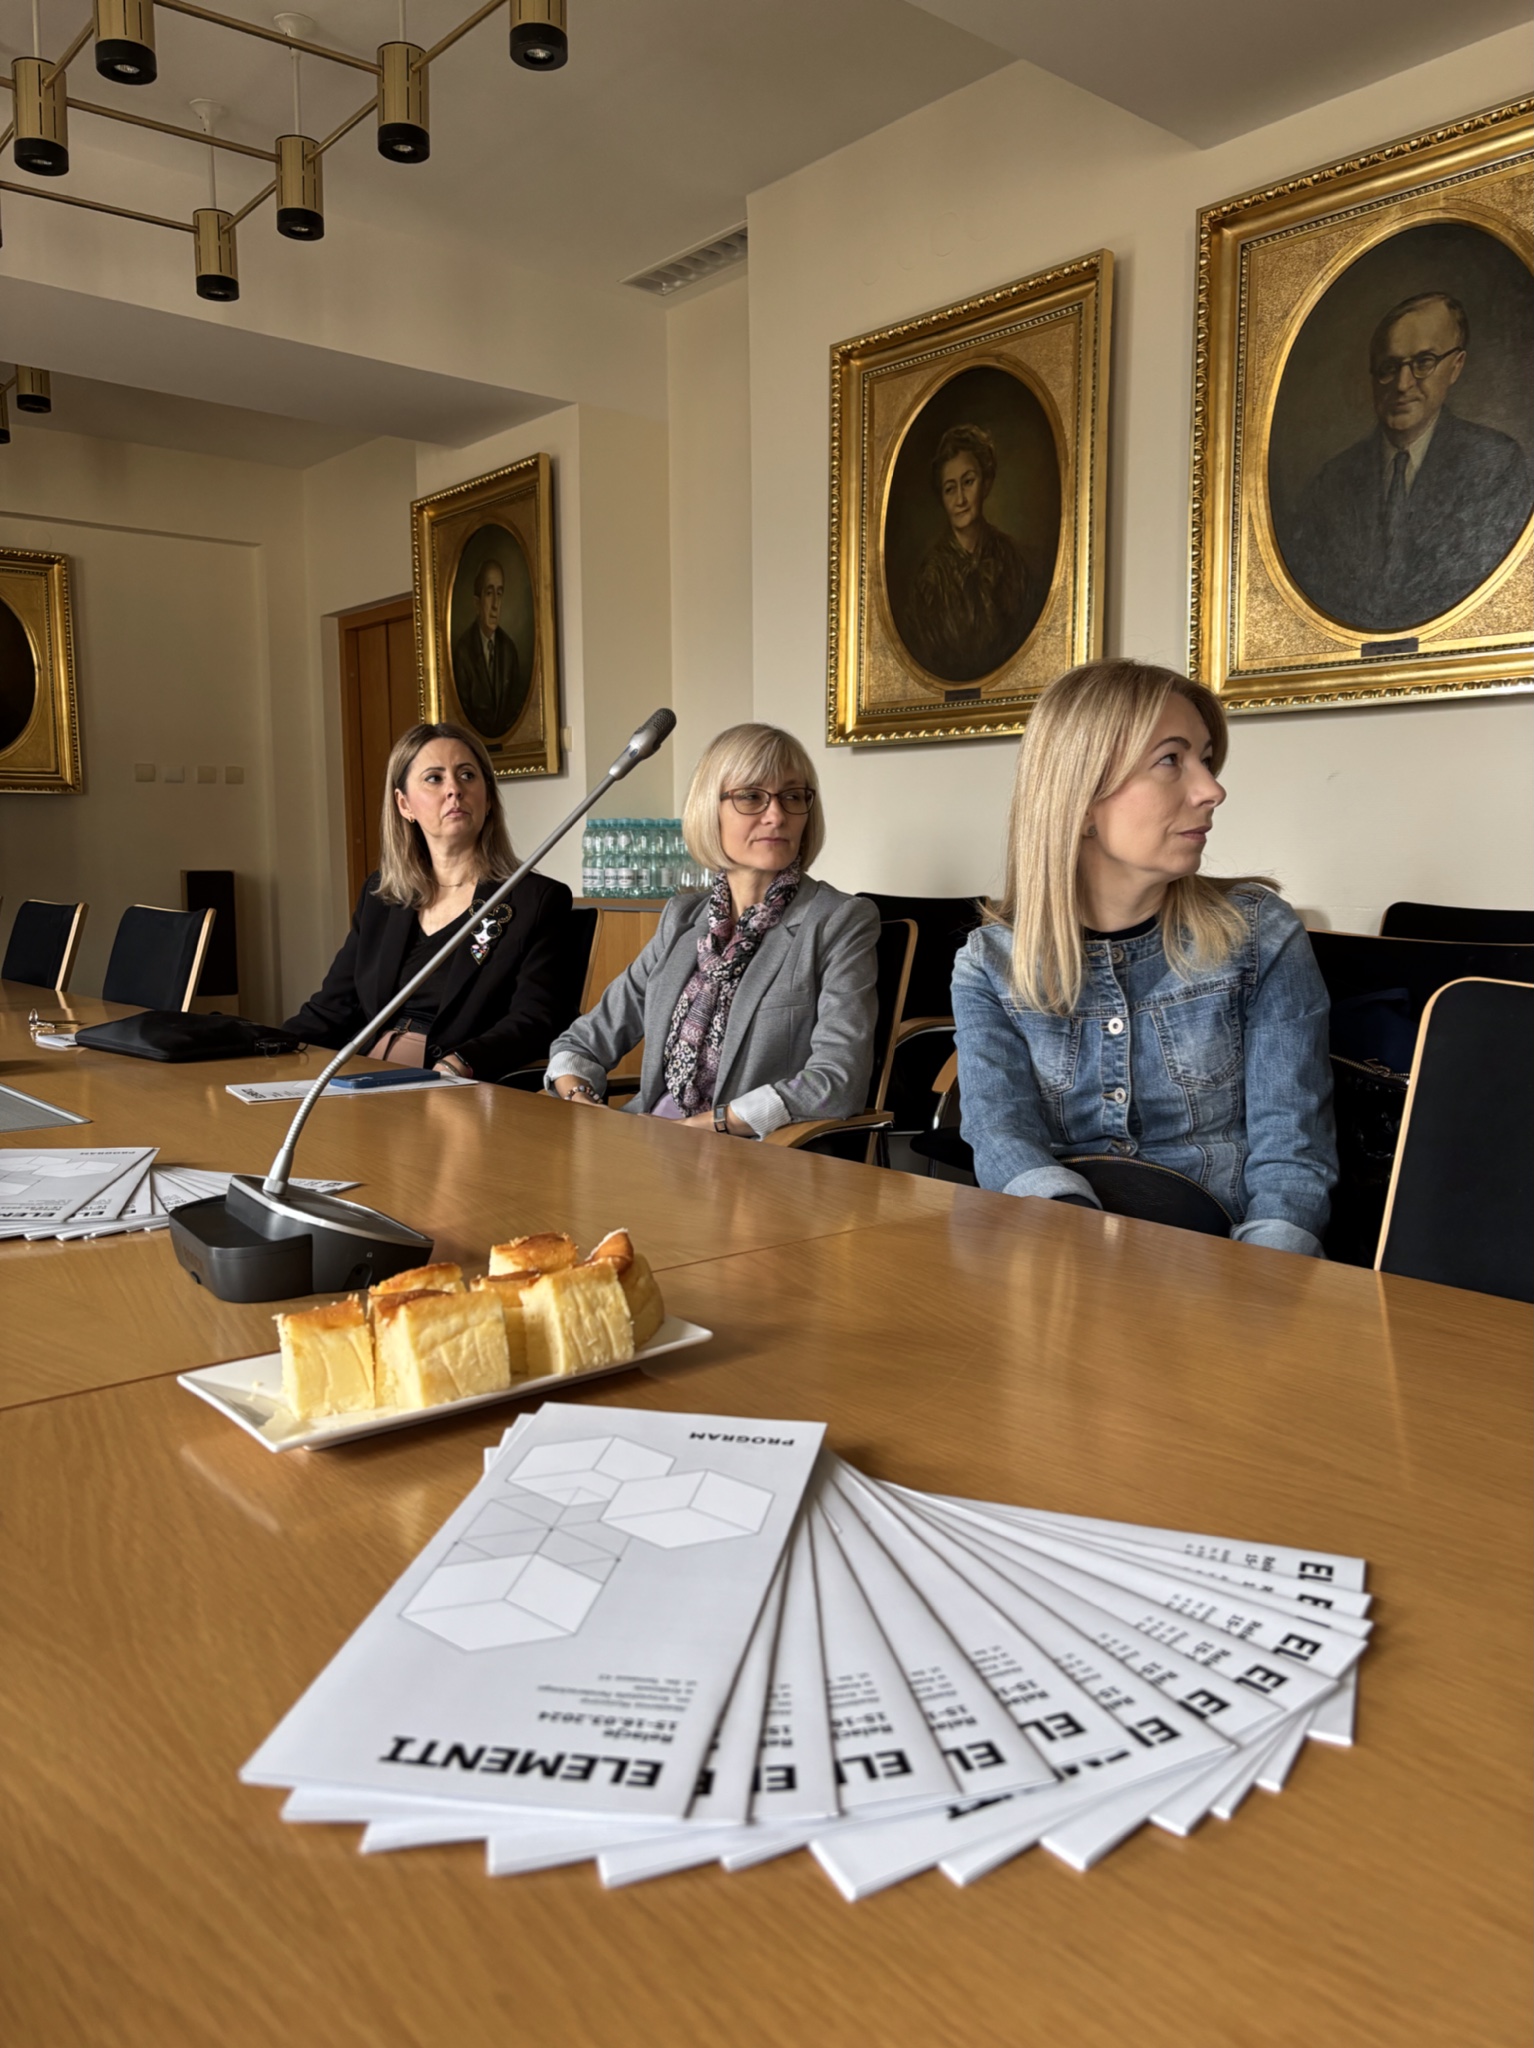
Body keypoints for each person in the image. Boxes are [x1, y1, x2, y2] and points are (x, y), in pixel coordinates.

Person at [951, 659, 1336, 1255]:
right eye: (1171, 759)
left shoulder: (1260, 934)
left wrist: (1263, 1281)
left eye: (1206, 759)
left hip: (1226, 1261)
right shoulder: (989, 964)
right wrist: (1077, 1250)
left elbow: (1293, 1152)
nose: (1212, 789)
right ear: (1081, 801)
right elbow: (1001, 1135)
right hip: (1059, 1258)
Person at [545, 723, 879, 1136]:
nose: (777, 816)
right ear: (709, 809)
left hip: (751, 1154)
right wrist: (579, 1098)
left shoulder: (838, 920)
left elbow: (838, 1081)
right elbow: (582, 1042)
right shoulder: (682, 917)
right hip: (645, 1141)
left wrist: (711, 1125)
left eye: (792, 796)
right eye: (751, 797)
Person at [285, 721, 575, 1082]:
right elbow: (332, 1009)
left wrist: (462, 1061)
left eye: (467, 775)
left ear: (488, 798)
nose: (454, 789)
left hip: (453, 1081)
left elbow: (537, 1019)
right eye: (435, 778)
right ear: (404, 804)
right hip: (363, 1072)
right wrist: (260, 1047)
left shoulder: (535, 900)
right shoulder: (382, 895)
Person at [1281, 291, 1534, 633]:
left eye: (1423, 362)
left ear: (1456, 366)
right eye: (1389, 368)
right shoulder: (1332, 482)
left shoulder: (1495, 464)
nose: (1402, 384)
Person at [898, 422, 1037, 683]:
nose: (960, 499)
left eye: (968, 482)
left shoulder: (1012, 560)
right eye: (950, 489)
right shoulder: (930, 578)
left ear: (986, 484)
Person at [452, 556, 524, 738]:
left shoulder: (509, 651)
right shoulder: (463, 652)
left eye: (499, 593)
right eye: (489, 593)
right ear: (477, 603)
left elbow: (516, 709)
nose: (495, 605)